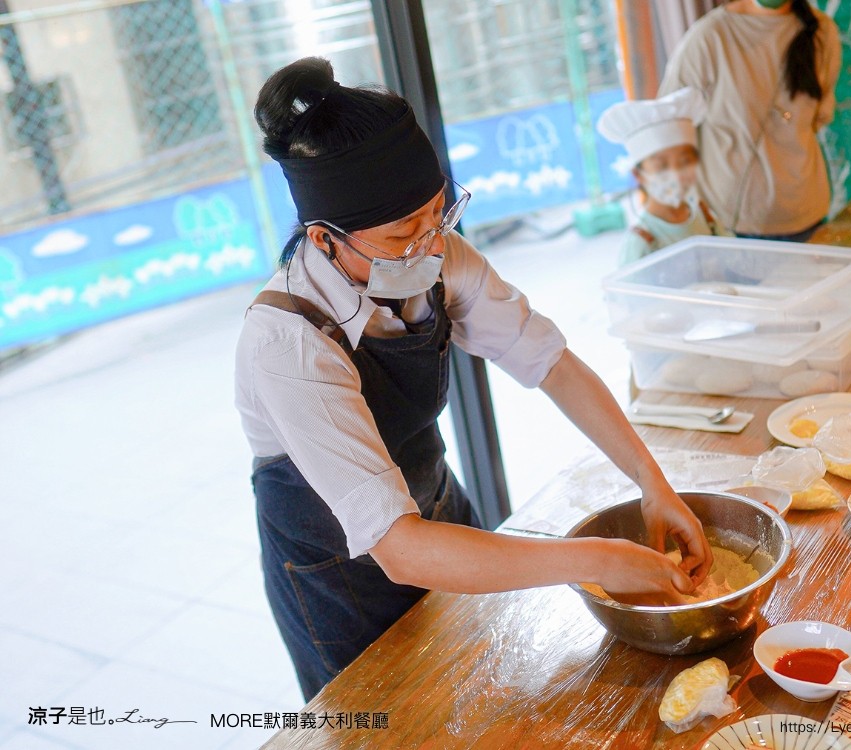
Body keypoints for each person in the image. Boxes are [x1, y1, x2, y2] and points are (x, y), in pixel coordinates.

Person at [234, 57, 713, 701]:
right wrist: (598, 559)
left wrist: (653, 484)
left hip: (436, 509)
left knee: (484, 684)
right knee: (391, 721)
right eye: (403, 234)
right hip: (337, 570)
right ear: (324, 240)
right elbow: (400, 549)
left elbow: (551, 362)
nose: (433, 246)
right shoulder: (287, 342)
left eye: (439, 214)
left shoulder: (435, 254)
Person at [659, 0, 842, 242]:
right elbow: (669, 122)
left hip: (805, 212)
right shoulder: (710, 36)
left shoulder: (822, 30)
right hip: (731, 221)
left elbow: (818, 115)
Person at [597, 87, 726, 265]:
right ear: (638, 175)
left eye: (685, 162)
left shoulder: (705, 216)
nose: (676, 174)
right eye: (661, 166)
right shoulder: (641, 241)